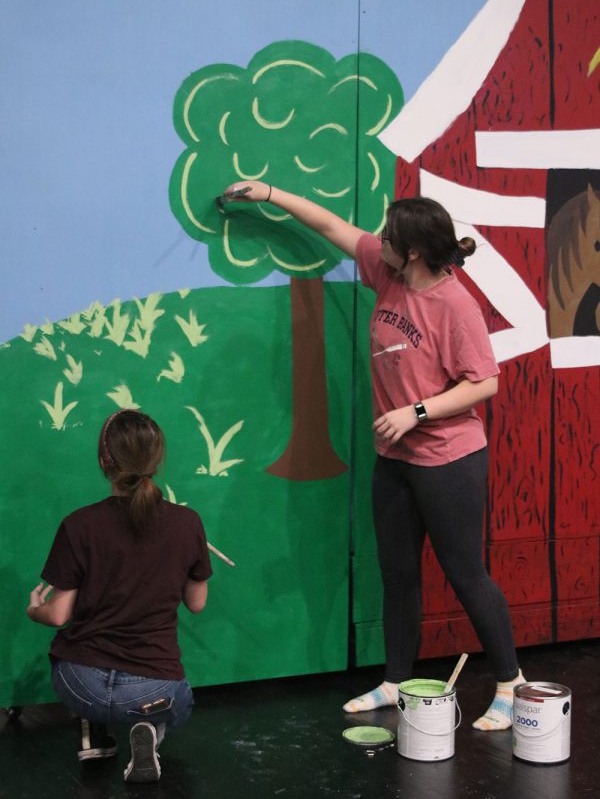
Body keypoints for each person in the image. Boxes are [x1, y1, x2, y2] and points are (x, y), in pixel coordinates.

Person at [223, 181, 524, 730]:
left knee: (465, 573)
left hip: (449, 460)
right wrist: (269, 193)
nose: (377, 239)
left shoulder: (455, 304)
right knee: (398, 573)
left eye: (388, 235)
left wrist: (419, 412)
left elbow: (483, 383)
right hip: (396, 459)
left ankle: (511, 684)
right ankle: (396, 681)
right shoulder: (389, 271)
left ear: (411, 250)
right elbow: (332, 227)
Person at [27, 409, 212, 781]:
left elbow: (59, 615)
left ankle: (93, 728)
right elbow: (197, 603)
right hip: (154, 689)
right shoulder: (186, 523)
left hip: (81, 684)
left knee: (67, 661)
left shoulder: (78, 524)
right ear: (157, 459)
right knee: (178, 701)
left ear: (103, 460)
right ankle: (149, 732)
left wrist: (35, 609)